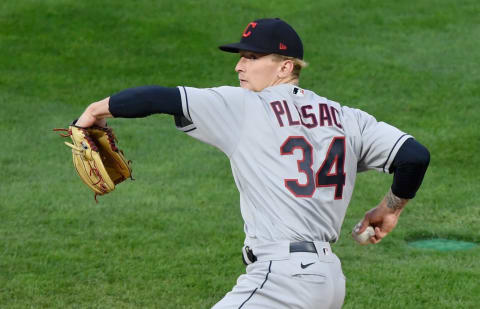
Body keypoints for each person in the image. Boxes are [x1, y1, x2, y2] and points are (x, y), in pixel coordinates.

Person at [75, 18, 430, 309]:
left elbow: (159, 98)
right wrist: (390, 209)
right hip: (328, 282)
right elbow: (414, 156)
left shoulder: (245, 106)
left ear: (285, 67)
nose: (239, 66)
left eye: (251, 57)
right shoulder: (348, 118)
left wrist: (95, 111)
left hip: (282, 281)